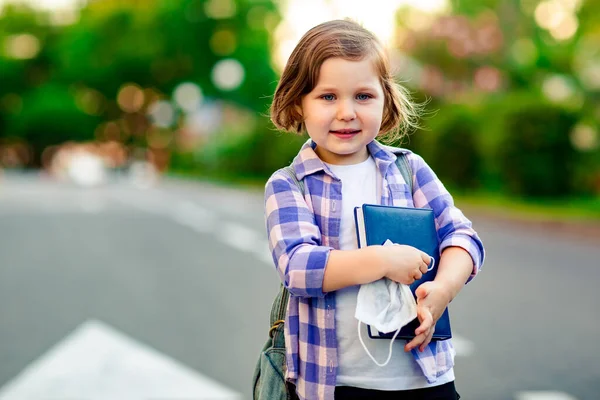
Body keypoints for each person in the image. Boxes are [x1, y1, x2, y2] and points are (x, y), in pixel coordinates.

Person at [264, 19, 485, 400]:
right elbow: (299, 268)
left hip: (425, 379)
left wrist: (443, 289)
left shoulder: (409, 169)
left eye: (363, 96)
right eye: (327, 97)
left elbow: (462, 238)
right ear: (298, 102)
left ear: (386, 100)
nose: (347, 112)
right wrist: (382, 261)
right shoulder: (289, 184)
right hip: (336, 385)